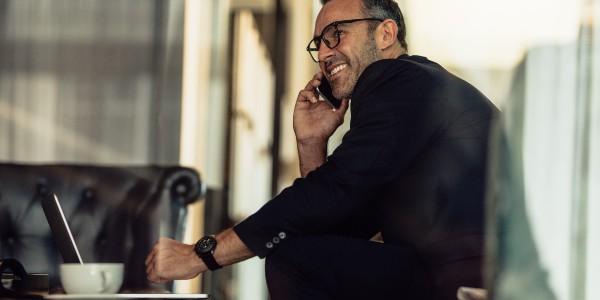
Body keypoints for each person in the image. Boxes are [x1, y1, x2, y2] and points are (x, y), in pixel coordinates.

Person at [145, 0, 499, 299]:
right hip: (455, 277)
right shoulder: (414, 94)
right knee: (306, 254)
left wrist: (200, 255)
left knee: (295, 259)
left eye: (336, 35)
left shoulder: (398, 81)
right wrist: (311, 143)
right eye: (319, 44)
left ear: (386, 34)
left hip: (464, 281)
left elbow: (335, 191)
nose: (326, 53)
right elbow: (339, 222)